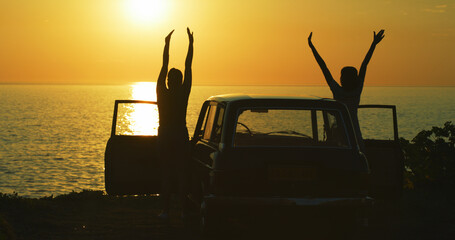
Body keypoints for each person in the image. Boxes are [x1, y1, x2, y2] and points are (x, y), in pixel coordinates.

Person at [308, 30, 385, 152]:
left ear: (342, 79)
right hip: (355, 136)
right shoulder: (357, 91)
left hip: (338, 137)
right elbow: (365, 64)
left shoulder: (337, 91)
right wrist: (374, 44)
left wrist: (312, 47)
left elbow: (323, 67)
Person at [156, 27, 194, 220]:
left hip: (165, 135)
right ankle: (184, 211)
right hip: (179, 135)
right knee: (181, 174)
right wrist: (191, 43)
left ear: (169, 81)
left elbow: (164, 66)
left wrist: (167, 44)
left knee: (166, 173)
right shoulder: (183, 93)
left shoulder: (162, 92)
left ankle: (165, 211)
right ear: (180, 81)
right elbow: (188, 65)